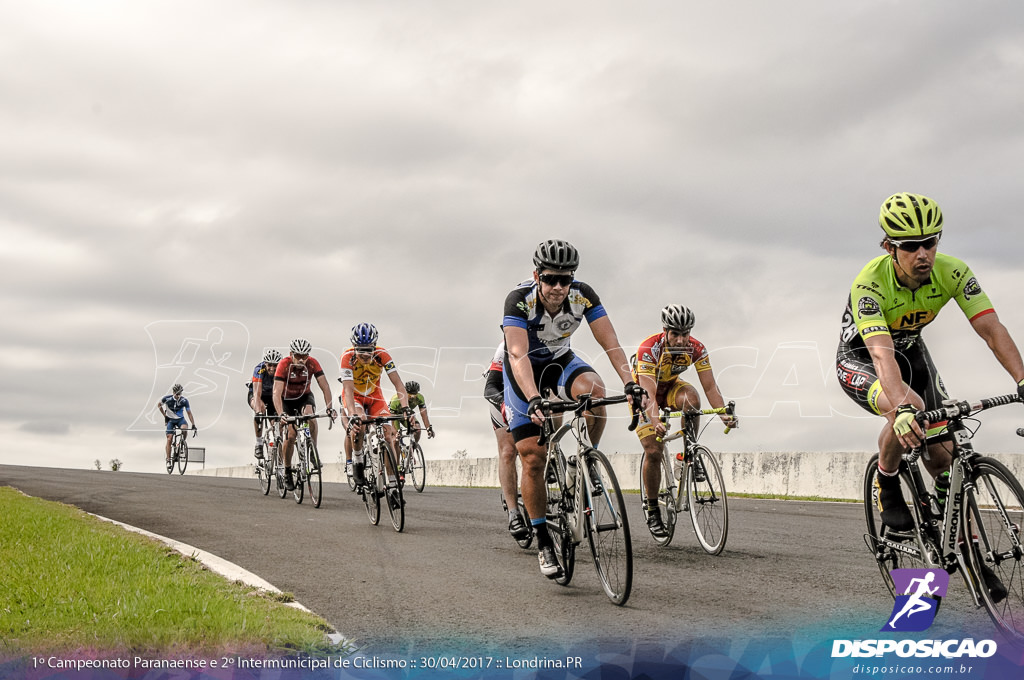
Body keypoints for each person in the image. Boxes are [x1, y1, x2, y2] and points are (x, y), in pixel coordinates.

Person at [837, 192, 1024, 601]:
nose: (923, 254)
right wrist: (902, 409)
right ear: (889, 247)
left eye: (931, 242)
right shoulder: (870, 283)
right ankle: (887, 483)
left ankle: (970, 553)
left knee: (943, 453)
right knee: (912, 410)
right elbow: (882, 356)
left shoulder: (953, 272)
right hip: (865, 358)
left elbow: (992, 329)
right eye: (910, 246)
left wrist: (1022, 379)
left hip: (913, 352)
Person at [502, 239, 646, 579]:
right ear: (537, 275)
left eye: (565, 280)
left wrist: (630, 383)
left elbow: (610, 342)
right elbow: (518, 354)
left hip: (558, 360)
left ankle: (585, 460)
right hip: (523, 370)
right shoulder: (519, 300)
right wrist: (534, 397)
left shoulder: (583, 296)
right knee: (532, 457)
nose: (557, 287)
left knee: (595, 392)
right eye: (551, 279)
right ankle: (542, 541)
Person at [634, 305, 737, 539]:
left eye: (685, 334)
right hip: (644, 394)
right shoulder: (650, 348)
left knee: (692, 400)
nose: (681, 340)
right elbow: (648, 391)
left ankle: (688, 453)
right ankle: (652, 509)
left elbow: (710, 386)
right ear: (665, 331)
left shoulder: (696, 348)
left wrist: (723, 415)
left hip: (670, 388)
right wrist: (654, 419)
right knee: (654, 450)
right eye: (675, 334)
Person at [339, 323, 411, 507]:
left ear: (374, 346)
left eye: (369, 350)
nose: (365, 355)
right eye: (361, 350)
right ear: (354, 347)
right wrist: (353, 415)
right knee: (360, 422)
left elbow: (399, 385)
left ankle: (394, 487)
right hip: (354, 396)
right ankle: (356, 460)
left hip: (375, 397)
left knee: (390, 435)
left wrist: (406, 409)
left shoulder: (382, 355)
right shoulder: (347, 358)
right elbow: (347, 389)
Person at [271, 338, 336, 491]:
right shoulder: (284, 364)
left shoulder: (312, 363)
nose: (301, 359)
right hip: (286, 400)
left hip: (304, 397)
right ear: (291, 354)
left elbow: (325, 386)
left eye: (304, 356)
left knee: (310, 416)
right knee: (291, 434)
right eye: (298, 355)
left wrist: (329, 407)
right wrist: (281, 414)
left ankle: (313, 450)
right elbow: (276, 392)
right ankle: (287, 470)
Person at [485, 341, 530, 541]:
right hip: (504, 395)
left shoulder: (552, 341)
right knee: (508, 451)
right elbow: (490, 387)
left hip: (533, 395)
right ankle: (513, 512)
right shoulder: (506, 346)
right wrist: (504, 406)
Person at [248, 349, 282, 460]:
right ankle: (258, 444)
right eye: (270, 365)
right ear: (265, 363)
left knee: (276, 422)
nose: (272, 368)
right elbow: (257, 394)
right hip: (258, 394)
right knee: (260, 411)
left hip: (273, 396)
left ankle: (278, 449)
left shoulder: (282, 370)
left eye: (275, 365)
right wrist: (258, 411)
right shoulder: (259, 369)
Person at [156, 384, 196, 465]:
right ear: (173, 392)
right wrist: (165, 416)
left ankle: (181, 444)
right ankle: (168, 459)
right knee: (169, 439)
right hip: (170, 420)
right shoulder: (167, 398)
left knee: (184, 429)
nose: (178, 396)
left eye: (179, 394)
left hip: (180, 420)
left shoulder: (184, 401)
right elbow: (159, 405)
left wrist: (193, 424)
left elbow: (189, 413)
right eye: (177, 394)